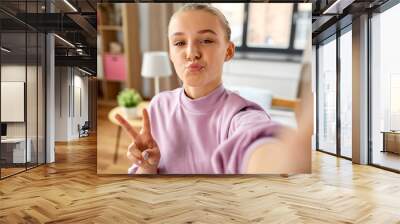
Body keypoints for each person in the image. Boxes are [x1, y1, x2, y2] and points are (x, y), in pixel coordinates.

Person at [115, 3, 312, 174]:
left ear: (228, 51)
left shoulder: (241, 114)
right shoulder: (159, 104)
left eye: (207, 40)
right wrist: (148, 166)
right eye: (180, 43)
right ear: (171, 54)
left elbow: (256, 140)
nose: (191, 53)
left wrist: (280, 160)